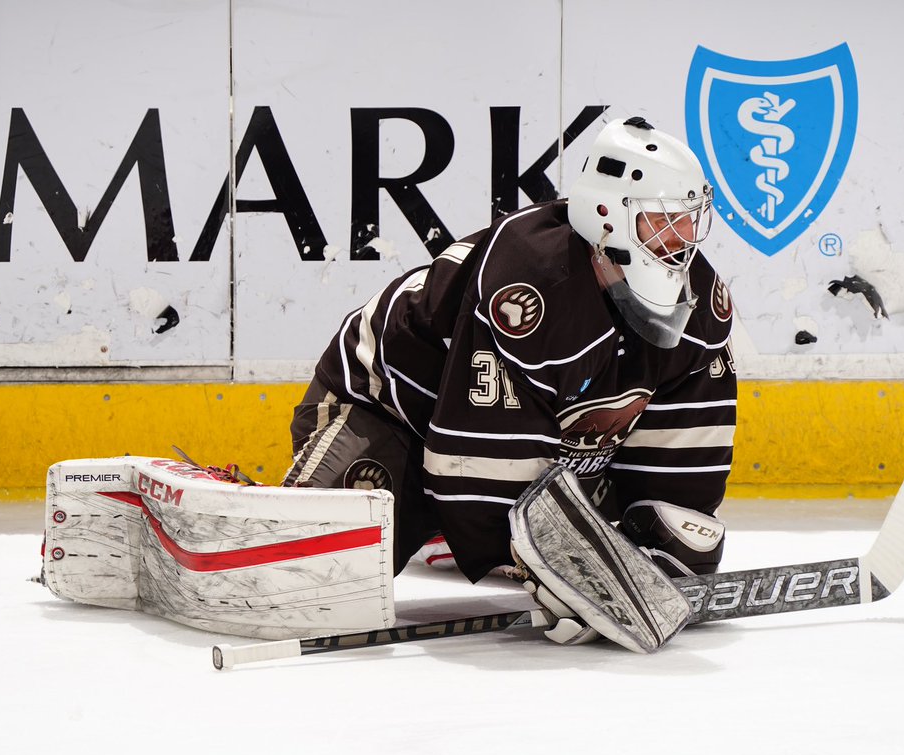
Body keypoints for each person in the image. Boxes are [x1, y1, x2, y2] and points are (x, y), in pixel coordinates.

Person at [283, 117, 736, 588]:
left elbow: (688, 435)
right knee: (323, 570)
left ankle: (449, 527)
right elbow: (472, 453)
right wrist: (534, 560)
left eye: (690, 216)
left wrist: (667, 529)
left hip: (535, 450)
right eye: (664, 218)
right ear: (609, 215)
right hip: (385, 414)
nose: (684, 234)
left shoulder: (699, 299)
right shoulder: (531, 287)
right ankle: (423, 519)